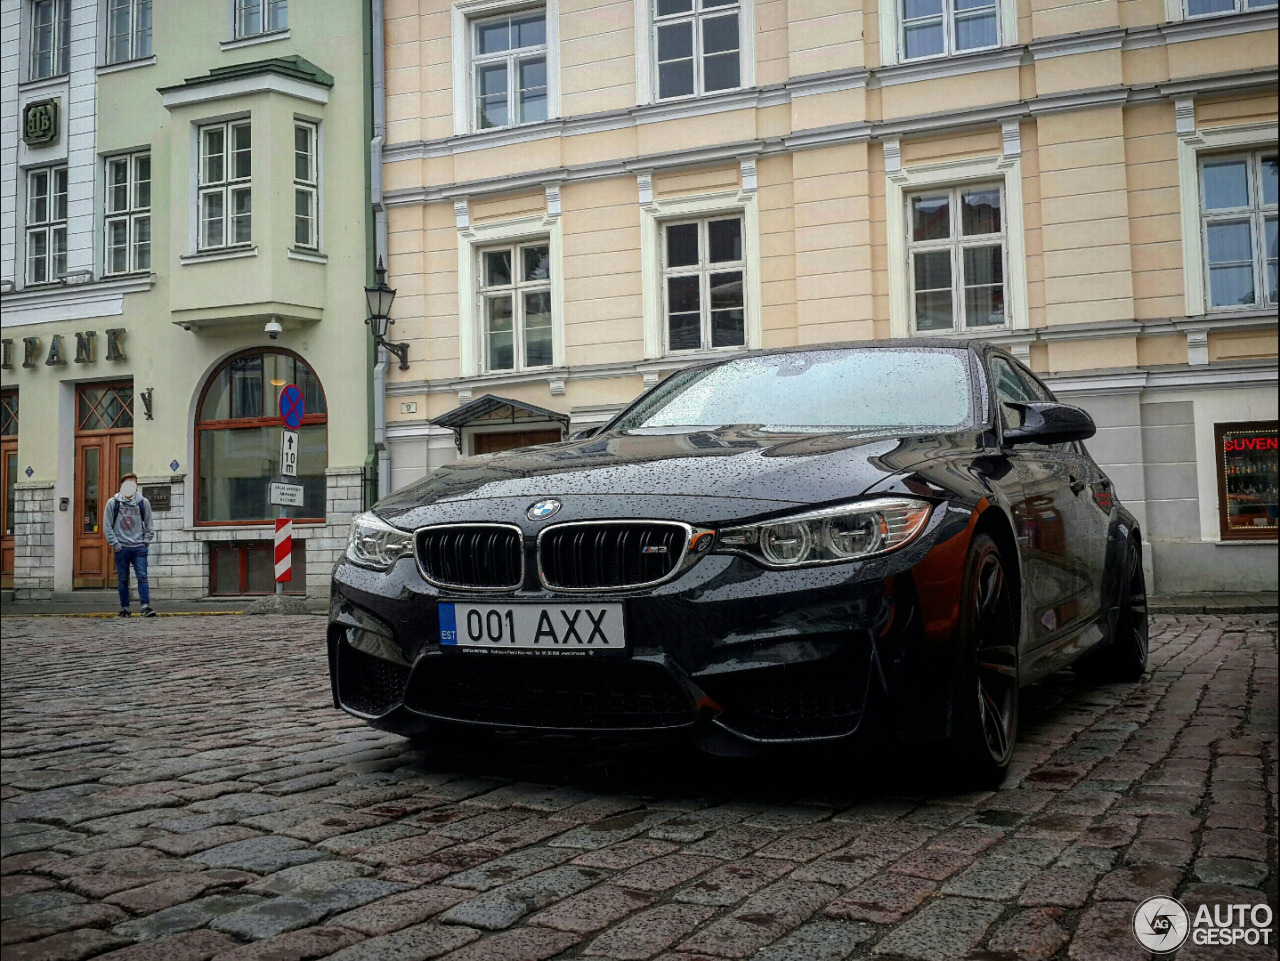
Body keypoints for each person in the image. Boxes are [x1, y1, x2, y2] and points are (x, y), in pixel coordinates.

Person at [104, 473, 156, 617]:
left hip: (139, 547)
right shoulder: (112, 503)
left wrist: (145, 543)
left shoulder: (142, 502)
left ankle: (145, 607)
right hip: (122, 548)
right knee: (122, 579)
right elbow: (107, 526)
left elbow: (150, 525)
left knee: (142, 577)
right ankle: (125, 608)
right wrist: (116, 544)